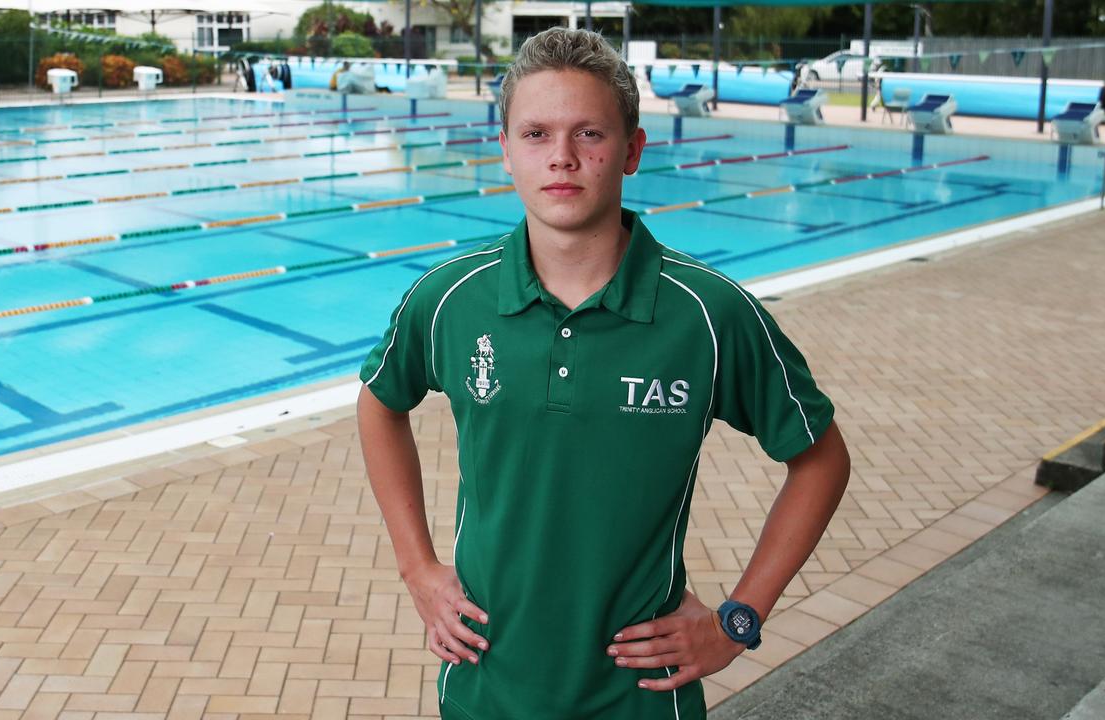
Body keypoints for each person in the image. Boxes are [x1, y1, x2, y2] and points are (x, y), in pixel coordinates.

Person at [356, 27, 850, 720]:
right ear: (504, 150)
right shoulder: (449, 299)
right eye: (535, 134)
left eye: (589, 134)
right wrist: (418, 569)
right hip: (484, 687)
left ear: (632, 151)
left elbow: (821, 459)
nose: (561, 158)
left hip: (640, 700)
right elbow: (380, 402)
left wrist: (738, 620)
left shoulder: (707, 315)